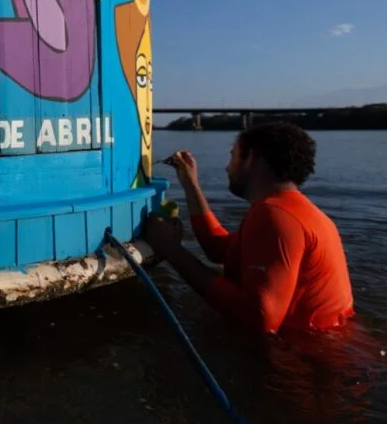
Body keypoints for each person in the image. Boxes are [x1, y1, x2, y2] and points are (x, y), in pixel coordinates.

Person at [143, 121, 355, 334]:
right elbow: (217, 248)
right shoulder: (302, 213)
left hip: (301, 358)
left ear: (252, 158)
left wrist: (169, 248)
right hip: (329, 343)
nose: (227, 167)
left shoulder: (275, 215)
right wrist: (191, 185)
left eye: (233, 155)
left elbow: (259, 317)